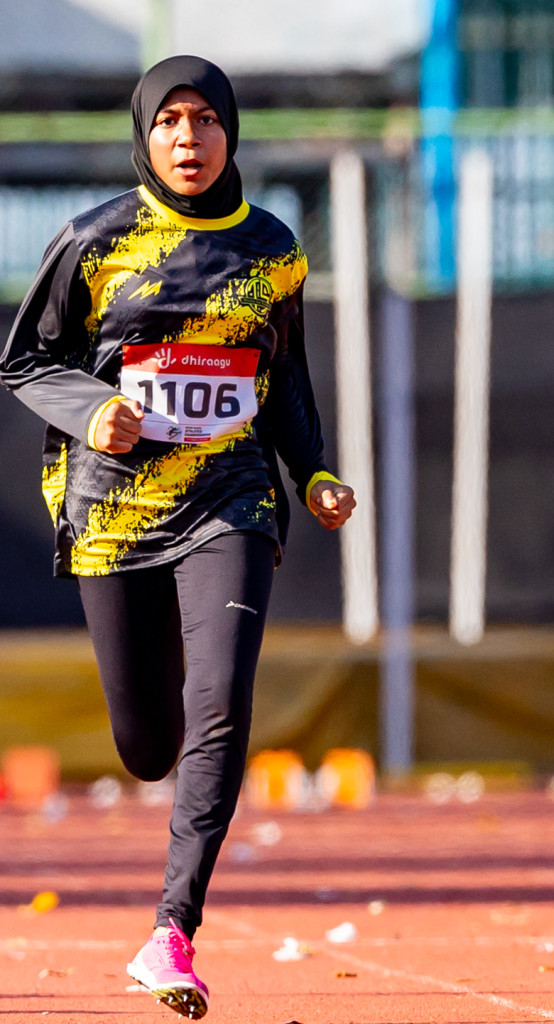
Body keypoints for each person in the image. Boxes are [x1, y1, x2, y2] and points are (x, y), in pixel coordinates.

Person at [0, 56, 354, 1019]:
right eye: (169, 123)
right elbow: (24, 359)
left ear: (231, 133)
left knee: (222, 704)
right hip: (114, 515)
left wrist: (313, 472)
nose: (187, 139)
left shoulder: (273, 249)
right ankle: (161, 811)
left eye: (204, 120)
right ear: (144, 137)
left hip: (233, 501)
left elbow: (284, 381)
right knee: (149, 743)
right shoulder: (92, 239)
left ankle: (172, 931)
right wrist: (91, 408)